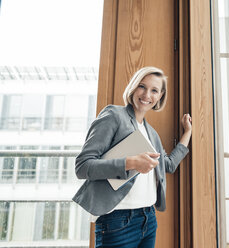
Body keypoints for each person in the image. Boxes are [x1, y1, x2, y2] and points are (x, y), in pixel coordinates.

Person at [72, 66, 192, 248]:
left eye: (154, 90)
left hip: (149, 218)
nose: (146, 95)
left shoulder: (151, 133)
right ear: (133, 87)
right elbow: (83, 166)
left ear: (160, 96)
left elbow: (168, 165)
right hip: (118, 221)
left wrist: (188, 133)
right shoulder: (114, 115)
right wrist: (131, 163)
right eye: (142, 87)